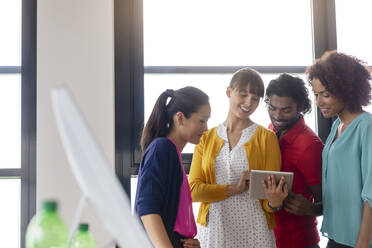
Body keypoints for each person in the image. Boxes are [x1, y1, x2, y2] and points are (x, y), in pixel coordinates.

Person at [189, 67, 288, 248]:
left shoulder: (267, 138)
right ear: (229, 92)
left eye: (255, 98)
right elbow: (193, 191)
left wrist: (275, 202)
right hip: (214, 232)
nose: (248, 102)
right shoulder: (206, 138)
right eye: (243, 94)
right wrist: (233, 189)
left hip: (255, 233)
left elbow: (268, 202)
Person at [306, 51, 372, 248]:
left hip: (358, 240)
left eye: (325, 95)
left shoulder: (367, 127)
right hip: (336, 235)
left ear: (347, 90)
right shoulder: (337, 125)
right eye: (316, 94)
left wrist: (362, 243)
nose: (319, 102)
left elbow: (371, 193)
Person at [134, 86, 211, 248]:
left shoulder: (172, 153)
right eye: (202, 121)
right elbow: (148, 209)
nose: (206, 128)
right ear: (180, 118)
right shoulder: (162, 148)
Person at [265, 73, 324, 248]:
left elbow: (328, 202)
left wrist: (311, 208)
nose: (277, 116)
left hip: (299, 240)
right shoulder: (271, 130)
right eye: (272, 107)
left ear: (301, 106)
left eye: (286, 110)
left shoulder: (309, 145)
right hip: (272, 237)